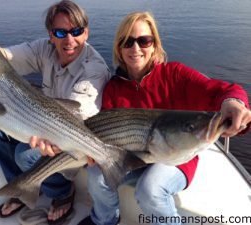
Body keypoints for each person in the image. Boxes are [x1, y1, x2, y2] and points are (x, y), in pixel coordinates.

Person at [76, 11, 251, 225]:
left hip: (176, 157)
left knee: (150, 189)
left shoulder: (175, 74)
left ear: (155, 45)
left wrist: (234, 103)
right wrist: (94, 151)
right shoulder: (113, 88)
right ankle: (104, 220)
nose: (136, 48)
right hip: (132, 157)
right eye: (127, 42)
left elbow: (221, 90)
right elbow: (106, 133)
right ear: (119, 48)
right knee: (95, 175)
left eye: (144, 40)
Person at [0, 1, 111, 224]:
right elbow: (4, 58)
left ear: (86, 32)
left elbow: (79, 118)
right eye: (60, 32)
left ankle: (62, 193)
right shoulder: (44, 49)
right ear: (50, 35)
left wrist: (53, 138)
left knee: (24, 155)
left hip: (75, 142)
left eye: (76, 31)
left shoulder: (94, 70)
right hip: (45, 122)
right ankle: (19, 188)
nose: (69, 40)